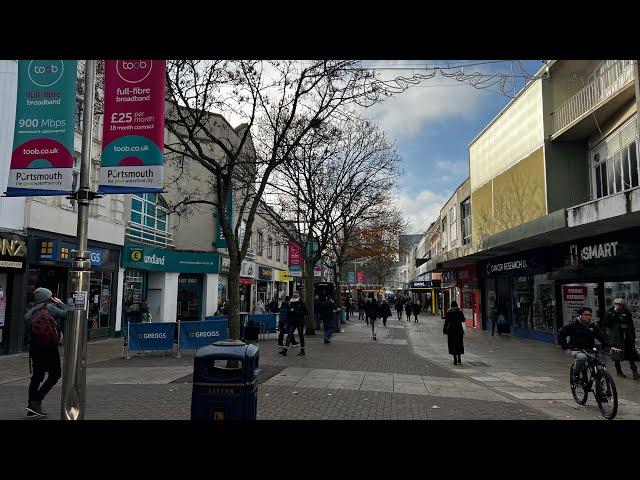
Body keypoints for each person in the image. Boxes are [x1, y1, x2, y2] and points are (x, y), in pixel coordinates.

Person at [25, 287, 68, 417]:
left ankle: (32, 408)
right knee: (55, 374)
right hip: (49, 346)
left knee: (37, 376)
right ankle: (36, 401)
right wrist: (60, 302)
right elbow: (68, 313)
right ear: (47, 298)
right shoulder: (49, 308)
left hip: (35, 347)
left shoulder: (30, 311)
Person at [558, 307, 619, 384]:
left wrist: (610, 346)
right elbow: (561, 334)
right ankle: (575, 374)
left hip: (590, 349)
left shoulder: (593, 326)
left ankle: (601, 388)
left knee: (600, 364)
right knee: (582, 357)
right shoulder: (573, 325)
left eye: (590, 315)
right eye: (586, 315)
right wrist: (566, 347)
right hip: (576, 349)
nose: (589, 317)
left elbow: (602, 337)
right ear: (580, 315)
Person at [604, 298, 639, 380]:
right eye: (616, 303)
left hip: (626, 336)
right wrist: (615, 314)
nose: (617, 305)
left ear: (623, 305)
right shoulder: (610, 311)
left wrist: (632, 336)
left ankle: (635, 372)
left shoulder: (626, 311)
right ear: (614, 303)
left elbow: (629, 322)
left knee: (630, 352)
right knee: (616, 353)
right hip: (615, 337)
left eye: (620, 304)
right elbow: (606, 323)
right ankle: (619, 371)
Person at [280, 292, 307, 356]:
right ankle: (285, 349)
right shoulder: (292, 303)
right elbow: (289, 312)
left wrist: (295, 311)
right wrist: (290, 311)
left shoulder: (302, 303)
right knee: (289, 334)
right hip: (293, 322)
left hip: (299, 322)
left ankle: (302, 350)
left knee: (301, 336)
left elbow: (306, 312)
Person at [443, 301, 466, 365]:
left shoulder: (449, 313)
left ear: (451, 306)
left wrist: (444, 329)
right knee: (459, 343)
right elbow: (463, 320)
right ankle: (459, 357)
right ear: (457, 305)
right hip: (459, 331)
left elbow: (446, 322)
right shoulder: (460, 312)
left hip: (451, 331)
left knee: (452, 344)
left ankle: (455, 358)